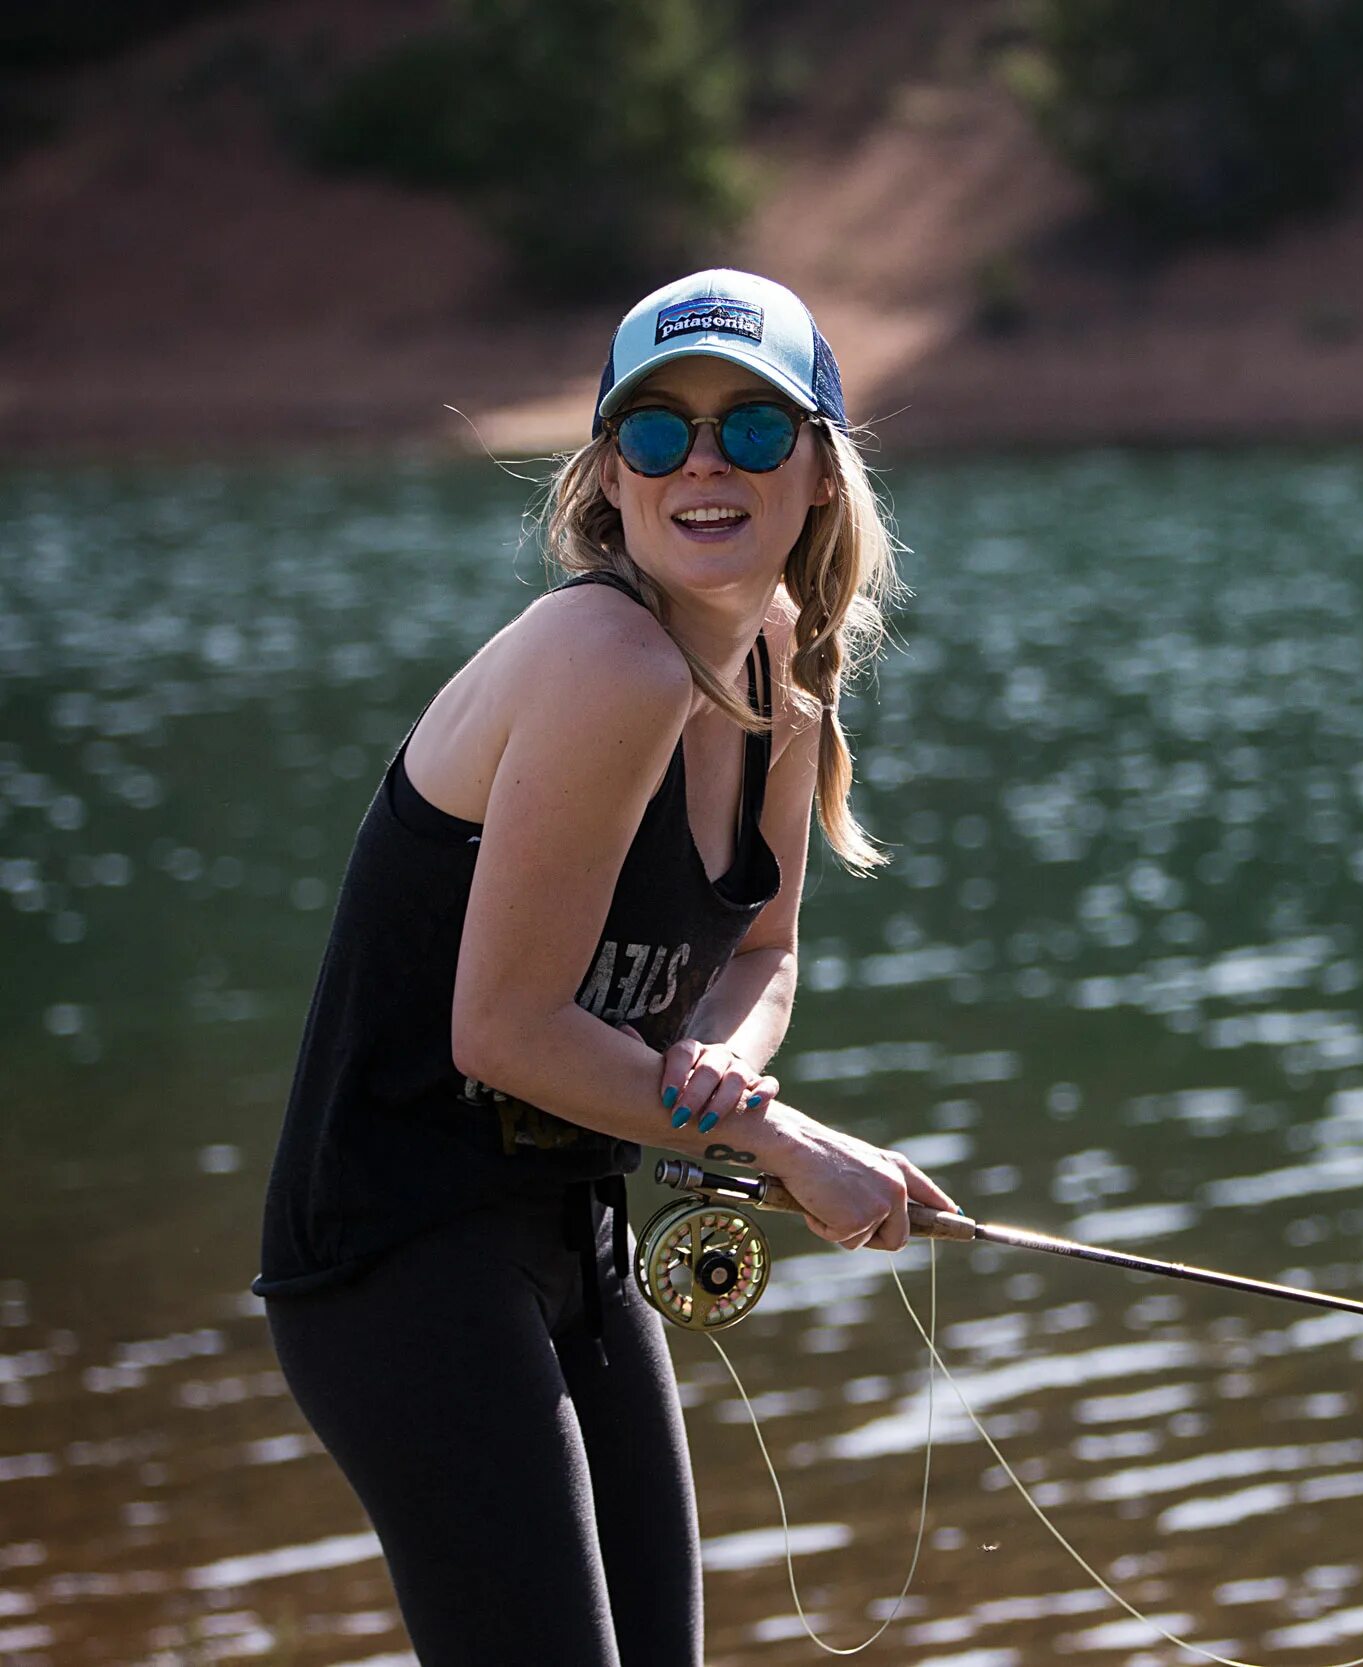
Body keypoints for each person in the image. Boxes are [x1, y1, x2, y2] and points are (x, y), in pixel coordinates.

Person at [251, 269, 956, 1667]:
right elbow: (502, 1030)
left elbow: (765, 950)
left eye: (753, 428)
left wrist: (716, 1064)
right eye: (659, 431)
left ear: (819, 469)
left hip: (574, 1231)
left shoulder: (781, 681)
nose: (704, 462)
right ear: (609, 475)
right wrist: (781, 1137)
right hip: (397, 1252)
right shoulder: (602, 660)